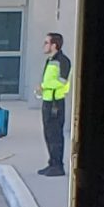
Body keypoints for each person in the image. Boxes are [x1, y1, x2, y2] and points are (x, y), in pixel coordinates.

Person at [38, 32, 72, 175]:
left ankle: (58, 166)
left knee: (55, 135)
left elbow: (62, 81)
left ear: (54, 45)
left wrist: (44, 86)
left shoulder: (63, 61)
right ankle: (52, 163)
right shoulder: (50, 60)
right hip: (47, 101)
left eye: (46, 43)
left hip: (55, 103)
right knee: (48, 134)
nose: (44, 45)